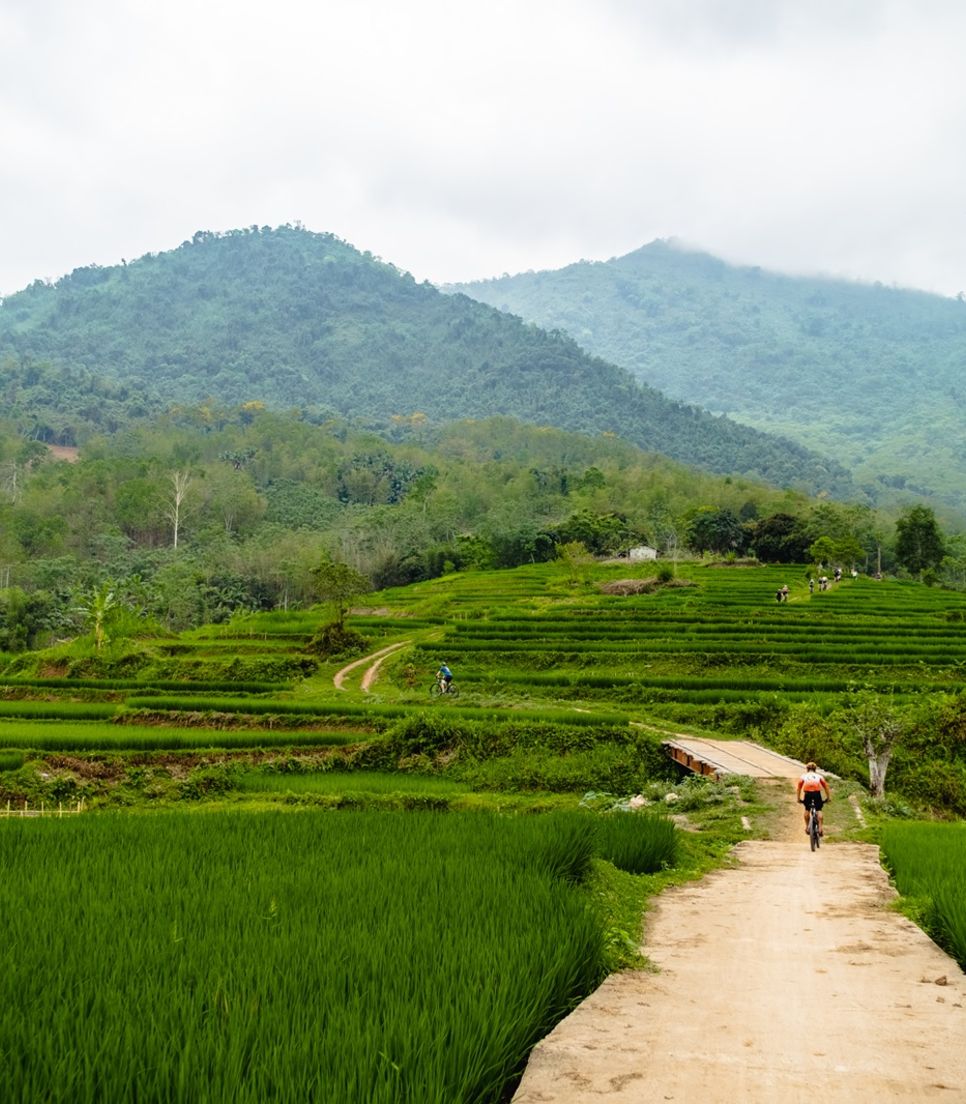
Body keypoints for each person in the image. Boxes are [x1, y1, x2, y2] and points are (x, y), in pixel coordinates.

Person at [796, 761, 831, 836]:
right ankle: (820, 828)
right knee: (819, 809)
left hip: (807, 794)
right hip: (816, 794)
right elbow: (826, 787)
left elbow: (799, 788)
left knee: (807, 809)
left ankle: (807, 827)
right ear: (815, 769)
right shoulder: (819, 776)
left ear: (807, 769)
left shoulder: (803, 776)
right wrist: (828, 798)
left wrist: (798, 799)